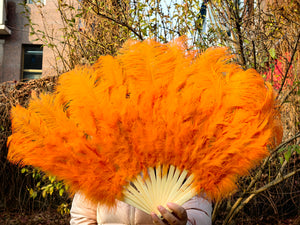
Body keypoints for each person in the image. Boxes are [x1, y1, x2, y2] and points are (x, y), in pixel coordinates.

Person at [70, 192, 212, 225]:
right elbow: (81, 217)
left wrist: (185, 223)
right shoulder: (101, 157)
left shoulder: (184, 161)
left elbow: (199, 211)